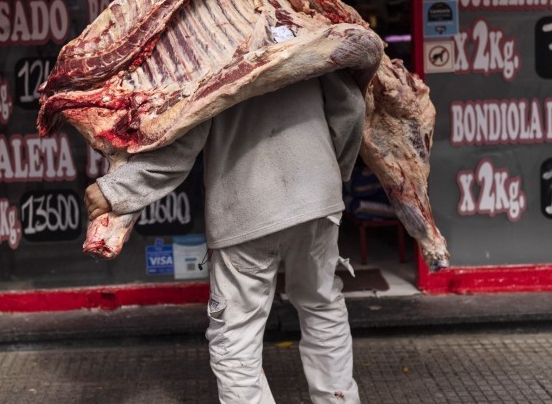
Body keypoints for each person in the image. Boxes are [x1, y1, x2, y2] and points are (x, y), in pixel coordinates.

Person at [85, 70, 365, 404]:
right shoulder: (302, 30)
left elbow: (181, 144)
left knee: (236, 337)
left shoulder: (214, 50)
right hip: (318, 200)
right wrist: (333, 173)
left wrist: (116, 191)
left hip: (246, 210)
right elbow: (351, 107)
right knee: (322, 308)